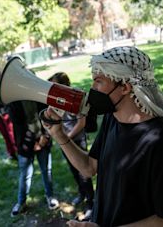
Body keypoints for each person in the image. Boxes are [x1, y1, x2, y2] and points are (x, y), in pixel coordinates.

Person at [42, 46, 163, 226]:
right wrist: (58, 134)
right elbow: (88, 167)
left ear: (125, 87)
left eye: (98, 81)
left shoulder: (162, 143)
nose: (91, 89)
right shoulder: (112, 119)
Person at [48, 72, 94, 221]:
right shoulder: (58, 98)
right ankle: (82, 194)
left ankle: (91, 203)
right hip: (66, 141)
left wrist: (66, 138)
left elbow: (82, 123)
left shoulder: (76, 99)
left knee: (84, 173)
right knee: (73, 171)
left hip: (77, 140)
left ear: (64, 84)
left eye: (56, 84)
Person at [8, 100, 59, 217]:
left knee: (46, 170)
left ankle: (50, 196)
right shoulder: (13, 102)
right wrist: (33, 142)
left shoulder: (38, 96)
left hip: (43, 140)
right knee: (25, 174)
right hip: (25, 144)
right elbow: (17, 123)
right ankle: (21, 202)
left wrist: (45, 136)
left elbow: (48, 117)